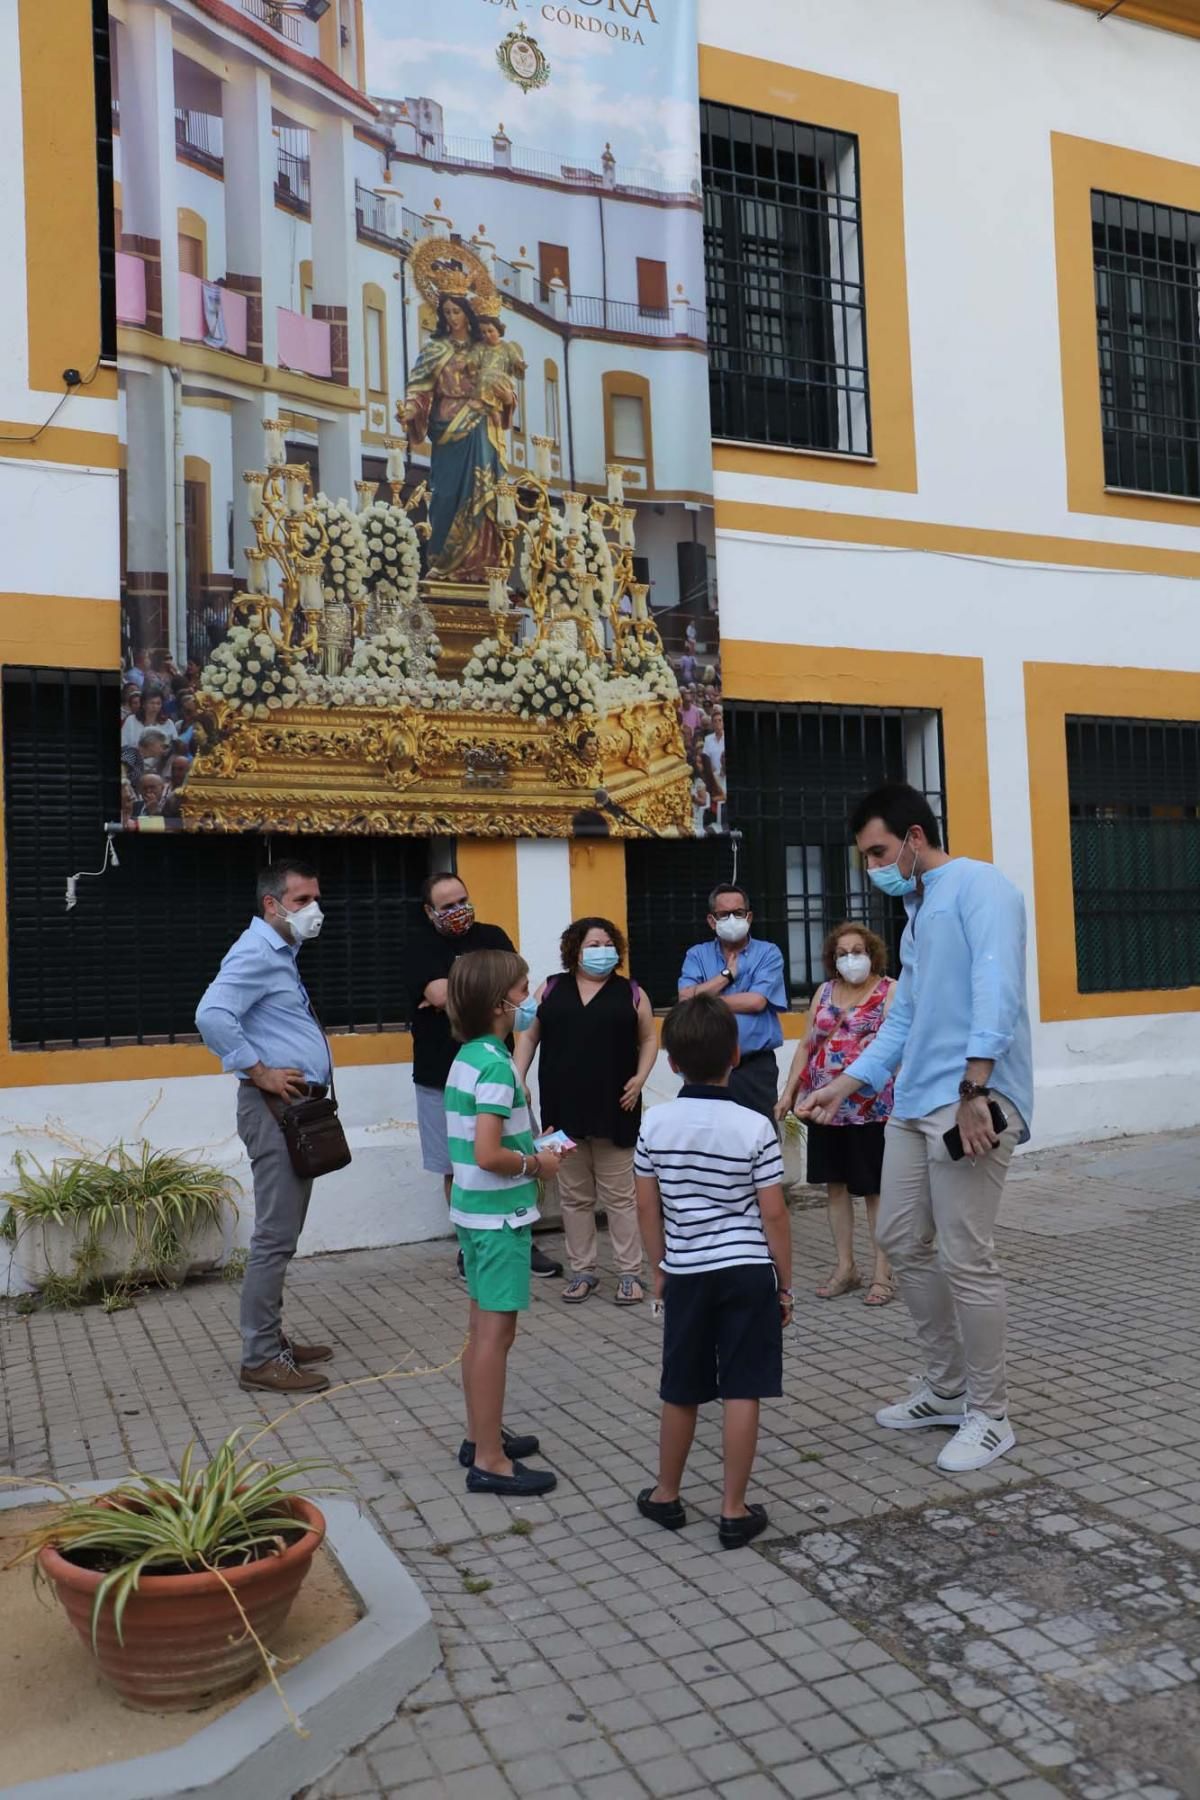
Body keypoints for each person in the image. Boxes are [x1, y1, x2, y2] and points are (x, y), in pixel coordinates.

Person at [796, 783, 1033, 1474]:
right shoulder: (916, 912)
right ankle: (946, 1388)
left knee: (967, 1255)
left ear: (914, 837)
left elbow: (998, 988)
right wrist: (844, 1083)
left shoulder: (981, 888)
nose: (873, 865)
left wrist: (975, 1088)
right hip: (913, 1100)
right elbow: (903, 1019)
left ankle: (991, 1414)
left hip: (971, 1097)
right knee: (900, 1236)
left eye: (878, 850)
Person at [633, 995, 792, 1548]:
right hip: (748, 1271)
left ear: (671, 1062)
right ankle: (733, 1510)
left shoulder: (654, 1124)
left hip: (687, 1272)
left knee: (681, 1388)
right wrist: (785, 1282)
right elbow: (773, 1212)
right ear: (736, 1053)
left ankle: (666, 1495)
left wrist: (659, 1267)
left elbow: (646, 1207)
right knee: (742, 1387)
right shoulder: (755, 1126)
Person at [195, 860, 336, 1395]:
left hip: (293, 1112)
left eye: (315, 898)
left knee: (285, 1232)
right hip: (272, 1112)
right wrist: (259, 1071)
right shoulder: (256, 952)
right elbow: (211, 1015)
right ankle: (259, 1358)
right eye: (302, 901)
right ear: (271, 906)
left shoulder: (281, 953)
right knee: (275, 1237)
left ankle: (272, 1340)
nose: (313, 909)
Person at [445, 948, 565, 1497]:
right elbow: (491, 1153)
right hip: (500, 1217)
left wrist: (531, 1145)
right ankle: (490, 1461)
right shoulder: (495, 1065)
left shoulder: (471, 1055)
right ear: (499, 1003)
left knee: (480, 1332)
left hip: (475, 1213)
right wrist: (537, 1163)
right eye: (522, 990)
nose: (530, 998)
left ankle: (480, 1435)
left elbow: (484, 1142)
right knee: (496, 1335)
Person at [404, 871, 562, 1282]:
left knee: (513, 1141)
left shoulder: (492, 934)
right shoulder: (419, 943)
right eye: (446, 906)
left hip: (499, 1067)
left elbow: (452, 994)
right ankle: (468, 1240)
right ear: (429, 912)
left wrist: (445, 993)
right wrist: (445, 993)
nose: (458, 911)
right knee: (453, 1162)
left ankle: (522, 1237)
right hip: (442, 1071)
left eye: (462, 900)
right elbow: (442, 995)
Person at [513, 918, 657, 1306]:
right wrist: (518, 1077)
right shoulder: (552, 988)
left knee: (620, 1198)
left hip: (616, 1109)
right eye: (593, 943)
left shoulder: (631, 992)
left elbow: (648, 1038)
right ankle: (583, 1271)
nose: (601, 950)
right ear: (575, 949)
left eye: (608, 943)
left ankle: (630, 1273)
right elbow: (528, 1035)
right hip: (562, 1113)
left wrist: (641, 1078)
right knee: (574, 1197)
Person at [776, 923, 896, 1306]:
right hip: (825, 1107)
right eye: (842, 953)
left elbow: (897, 1049)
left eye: (857, 950)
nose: (850, 959)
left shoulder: (889, 991)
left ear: (872, 952)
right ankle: (846, 1267)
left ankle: (883, 1272)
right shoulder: (825, 992)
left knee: (875, 1190)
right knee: (835, 1187)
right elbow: (806, 1044)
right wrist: (789, 1091)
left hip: (872, 1107)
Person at [400, 289, 514, 582]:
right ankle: (446, 562)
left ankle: (482, 566)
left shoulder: (485, 345)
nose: (452, 318)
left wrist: (509, 399)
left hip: (480, 427)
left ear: (468, 313)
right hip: (448, 429)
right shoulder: (434, 349)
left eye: (457, 311)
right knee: (446, 496)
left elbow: (503, 383)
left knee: (483, 493)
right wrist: (410, 411)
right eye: (447, 312)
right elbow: (420, 389)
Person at [679, 885, 786, 1118]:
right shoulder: (697, 955)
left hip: (754, 1068)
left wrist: (705, 997)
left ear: (749, 916)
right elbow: (685, 998)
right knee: (706, 1142)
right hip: (704, 1065)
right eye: (723, 914)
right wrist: (725, 976)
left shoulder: (768, 953)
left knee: (757, 1138)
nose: (731, 919)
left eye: (738, 913)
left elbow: (756, 1002)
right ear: (711, 920)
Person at [701, 703, 726, 828]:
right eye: (715, 721)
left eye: (720, 720)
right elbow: (705, 758)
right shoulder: (708, 739)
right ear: (712, 724)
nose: (717, 723)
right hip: (713, 776)